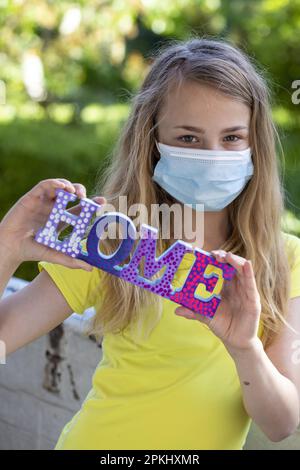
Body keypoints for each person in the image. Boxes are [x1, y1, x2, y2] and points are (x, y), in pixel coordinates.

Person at [0, 37, 300, 450]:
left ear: (255, 145)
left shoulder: (285, 258)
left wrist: (244, 347)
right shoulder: (114, 241)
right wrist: (7, 245)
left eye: (232, 138)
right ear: (152, 142)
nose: (213, 155)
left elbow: (282, 423)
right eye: (189, 139)